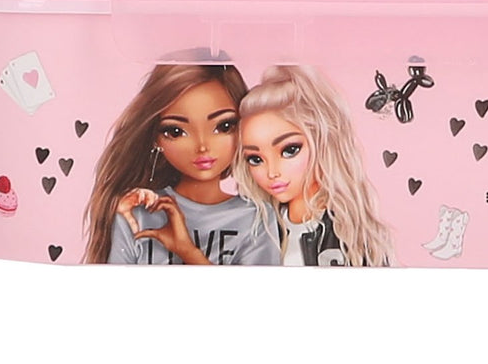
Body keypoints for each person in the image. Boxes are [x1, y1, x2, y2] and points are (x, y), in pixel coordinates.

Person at [84, 62, 280, 266]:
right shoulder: (138, 212)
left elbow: (258, 289)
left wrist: (186, 250)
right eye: (176, 132)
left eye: (223, 126)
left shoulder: (255, 219)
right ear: (155, 138)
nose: (202, 146)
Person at [234, 65, 393, 267]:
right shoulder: (258, 230)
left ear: (323, 142)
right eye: (256, 159)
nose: (272, 172)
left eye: (289, 150)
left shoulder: (349, 233)